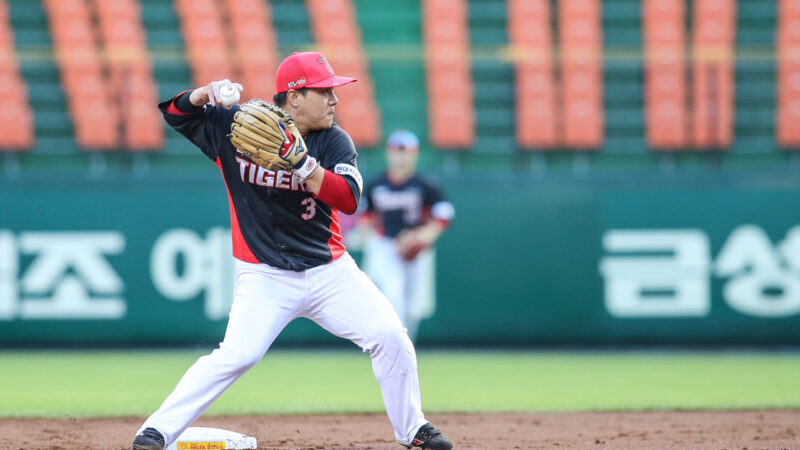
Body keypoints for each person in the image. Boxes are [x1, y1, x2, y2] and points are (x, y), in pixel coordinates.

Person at [132, 52, 452, 450]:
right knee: (237, 354)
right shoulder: (236, 128)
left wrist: (302, 164)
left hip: (328, 270)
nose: (335, 100)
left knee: (391, 337)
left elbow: (349, 198)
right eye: (325, 92)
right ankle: (157, 430)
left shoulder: (333, 140)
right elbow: (176, 114)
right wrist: (204, 93)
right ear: (295, 97)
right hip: (263, 273)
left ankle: (413, 429)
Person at [360, 130, 454, 341]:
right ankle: (392, 347)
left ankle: (406, 348)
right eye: (397, 151)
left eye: (406, 151)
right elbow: (365, 215)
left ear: (415, 154)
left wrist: (425, 235)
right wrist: (367, 236)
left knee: (412, 307)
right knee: (393, 296)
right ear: (389, 153)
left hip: (414, 249)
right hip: (385, 246)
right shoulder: (377, 183)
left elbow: (445, 214)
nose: (401, 156)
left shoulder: (425, 184)